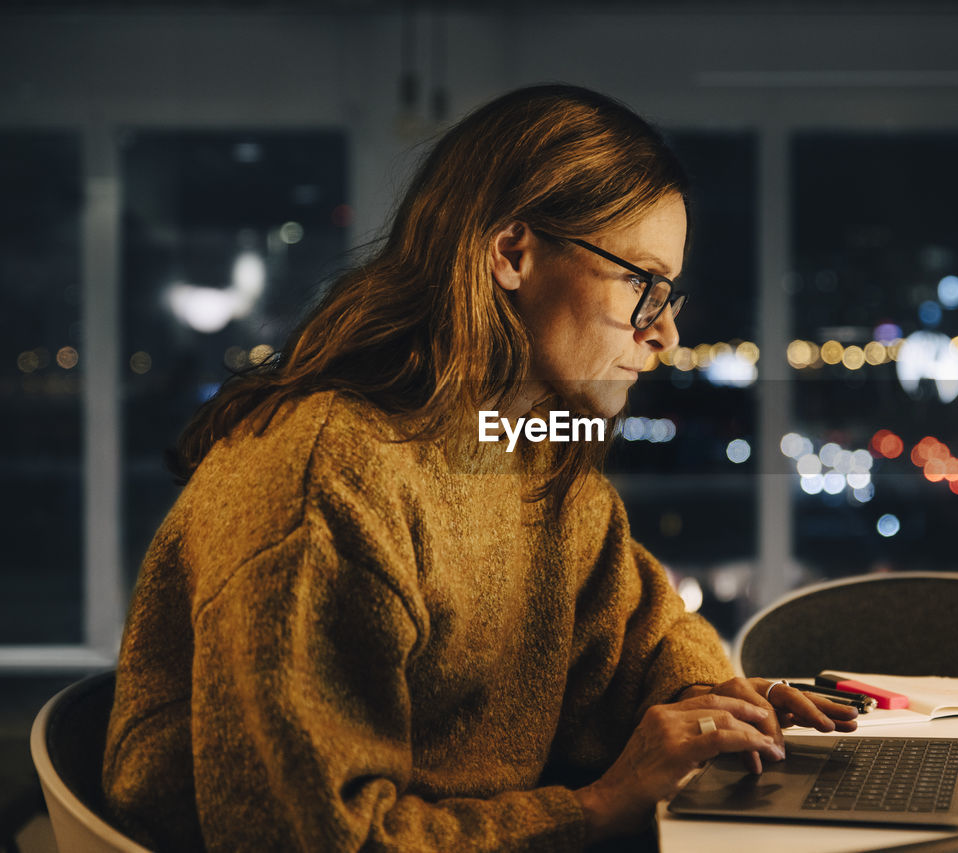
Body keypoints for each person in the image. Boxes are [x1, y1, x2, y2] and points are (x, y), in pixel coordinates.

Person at [102, 84, 856, 852]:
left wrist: (711, 699)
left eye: (670, 294)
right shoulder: (325, 479)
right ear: (513, 253)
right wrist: (599, 807)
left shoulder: (527, 444)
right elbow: (316, 836)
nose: (662, 332)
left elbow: (644, 628)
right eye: (640, 284)